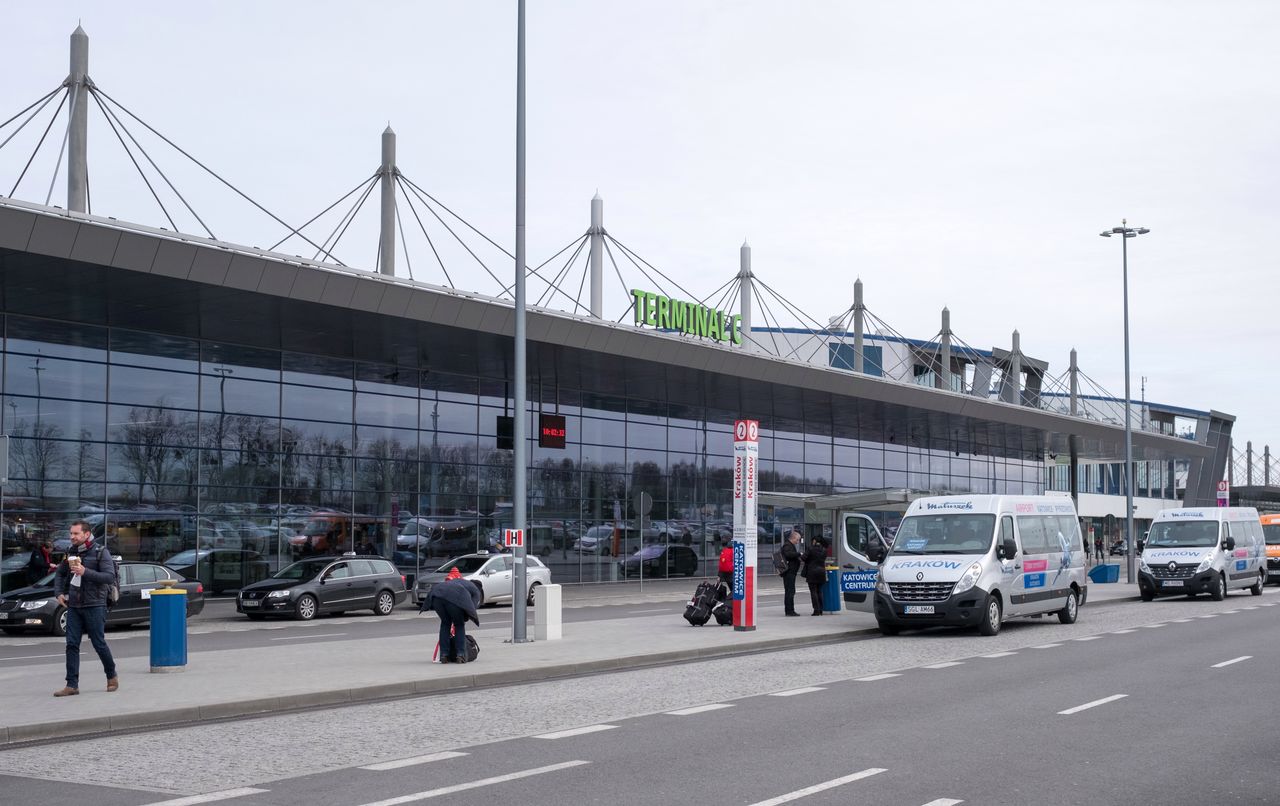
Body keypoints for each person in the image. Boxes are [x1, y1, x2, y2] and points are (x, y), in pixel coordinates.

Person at [52, 520, 118, 697]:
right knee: (71, 644)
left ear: (86, 534)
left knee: (98, 643)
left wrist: (85, 571)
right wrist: (58, 592)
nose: (72, 537)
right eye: (71, 534)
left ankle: (111, 676)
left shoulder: (100, 552)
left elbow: (109, 577)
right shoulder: (70, 552)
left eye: (75, 534)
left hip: (95, 604)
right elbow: (60, 573)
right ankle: (72, 685)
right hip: (74, 605)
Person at [422, 574, 480, 664]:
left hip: (436, 595)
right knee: (459, 625)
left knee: (445, 623)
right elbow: (471, 608)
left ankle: (444, 655)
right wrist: (464, 618)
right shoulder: (476, 590)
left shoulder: (461, 582)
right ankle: (460, 655)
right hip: (452, 598)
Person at [801, 535, 828, 616]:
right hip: (821, 572)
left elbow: (803, 558)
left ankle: (816, 610)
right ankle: (821, 610)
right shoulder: (824, 550)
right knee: (819, 591)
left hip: (812, 572)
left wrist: (803, 555)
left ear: (815, 541)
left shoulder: (810, 548)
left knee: (813, 592)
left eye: (813, 540)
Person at [781, 530, 802, 616]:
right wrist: (798, 554)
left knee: (790, 591)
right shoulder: (787, 545)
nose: (798, 542)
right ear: (793, 538)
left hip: (791, 572)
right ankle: (789, 611)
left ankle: (790, 610)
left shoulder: (789, 545)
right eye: (797, 540)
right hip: (789, 572)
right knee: (790, 591)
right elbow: (788, 554)